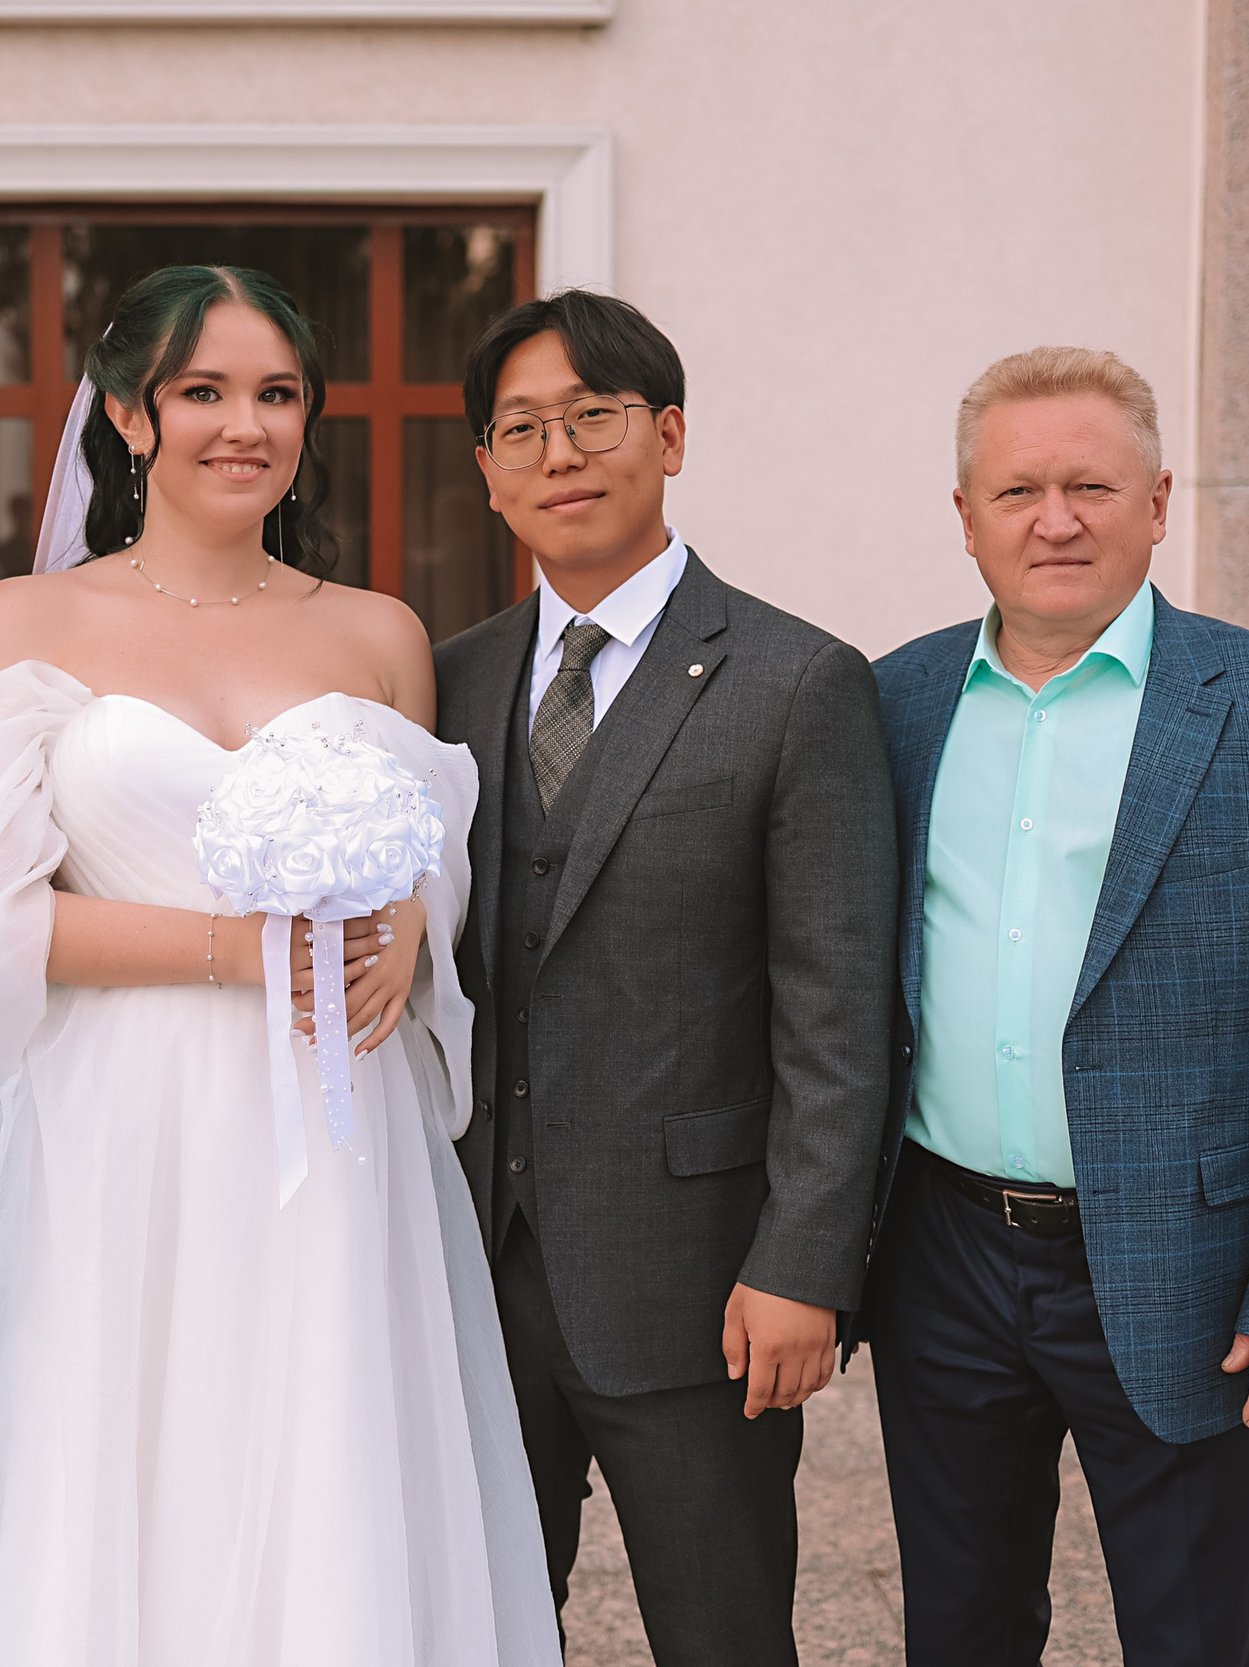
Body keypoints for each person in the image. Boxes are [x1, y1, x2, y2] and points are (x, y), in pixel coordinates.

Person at [0, 265, 562, 1666]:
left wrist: (411, 916)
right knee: (119, 1468)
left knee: (328, 1465)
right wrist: (240, 948)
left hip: (337, 1143)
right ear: (128, 414)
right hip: (120, 1125)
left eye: (277, 393)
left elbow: (433, 855)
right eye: (205, 391)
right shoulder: (26, 624)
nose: (247, 424)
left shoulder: (378, 632)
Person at [859, 347, 1249, 1666]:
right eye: (1020, 490)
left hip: (1188, 1266)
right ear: (966, 516)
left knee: (1191, 1628)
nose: (1057, 518)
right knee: (963, 1624)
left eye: (1092, 486)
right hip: (940, 1255)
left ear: (1158, 501)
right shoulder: (893, 702)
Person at [431, 290, 899, 1665]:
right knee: (484, 1625)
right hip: (474, 1264)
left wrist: (806, 1264)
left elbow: (839, 1006)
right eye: (522, 428)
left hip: (702, 1286)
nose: (559, 452)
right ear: (489, 470)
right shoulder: (446, 681)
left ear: (671, 434)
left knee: (726, 1633)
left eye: (595, 416)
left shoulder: (797, 681)